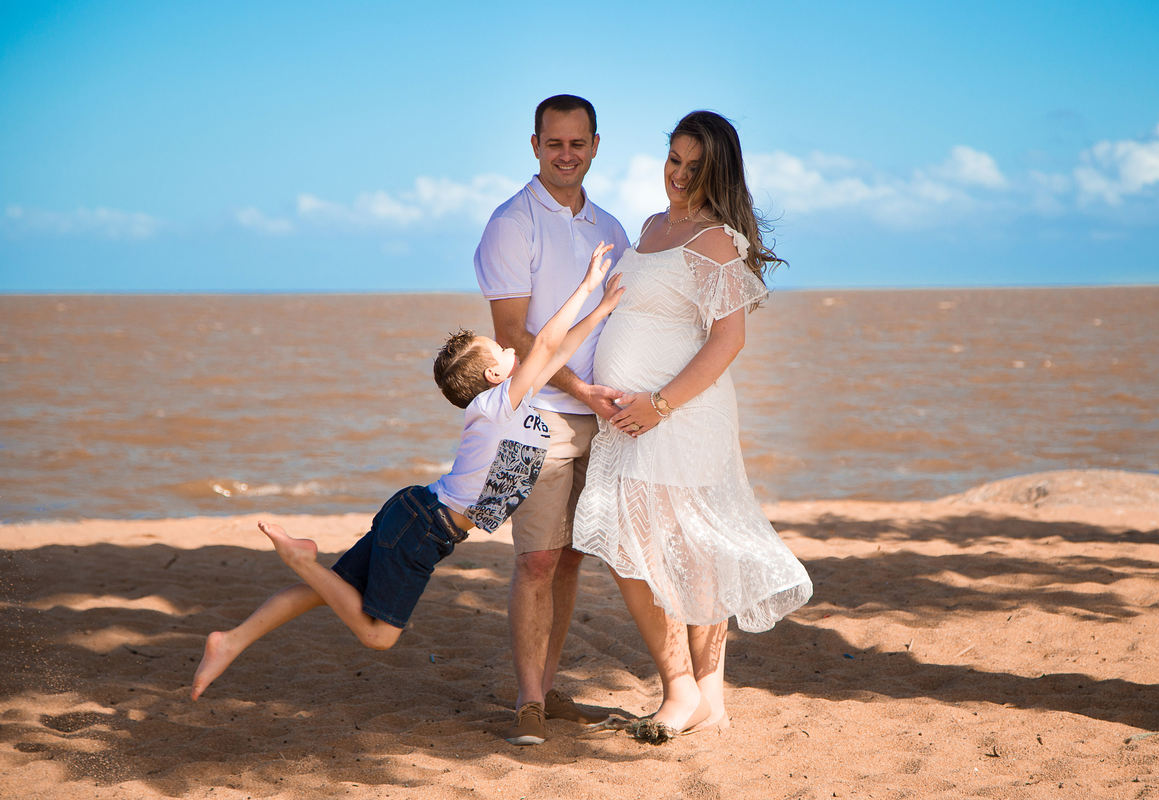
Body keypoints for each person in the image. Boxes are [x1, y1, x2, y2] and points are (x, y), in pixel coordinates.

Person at [190, 242, 623, 712]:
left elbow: (558, 351)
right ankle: (299, 560)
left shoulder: (506, 403)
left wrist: (603, 307)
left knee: (333, 590)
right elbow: (544, 344)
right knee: (378, 636)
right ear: (497, 373)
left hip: (414, 513)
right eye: (498, 347)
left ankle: (229, 641)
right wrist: (585, 286)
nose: (507, 345)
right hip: (423, 530)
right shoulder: (497, 406)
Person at [572, 110, 814, 742]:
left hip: (678, 417)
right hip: (631, 421)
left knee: (681, 556)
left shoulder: (714, 241)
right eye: (673, 159)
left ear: (718, 173)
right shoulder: (651, 227)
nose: (677, 175)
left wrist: (661, 403)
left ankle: (687, 692)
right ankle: (704, 695)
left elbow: (728, 340)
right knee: (641, 551)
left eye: (693, 166)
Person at [474, 94, 630, 745]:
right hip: (533, 417)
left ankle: (551, 682)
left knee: (570, 559)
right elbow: (513, 338)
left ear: (595, 146)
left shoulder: (613, 231)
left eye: (578, 143)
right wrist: (583, 388)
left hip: (602, 417)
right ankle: (528, 701)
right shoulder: (511, 223)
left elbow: (629, 324)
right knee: (534, 560)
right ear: (534, 145)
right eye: (554, 143)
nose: (566, 154)